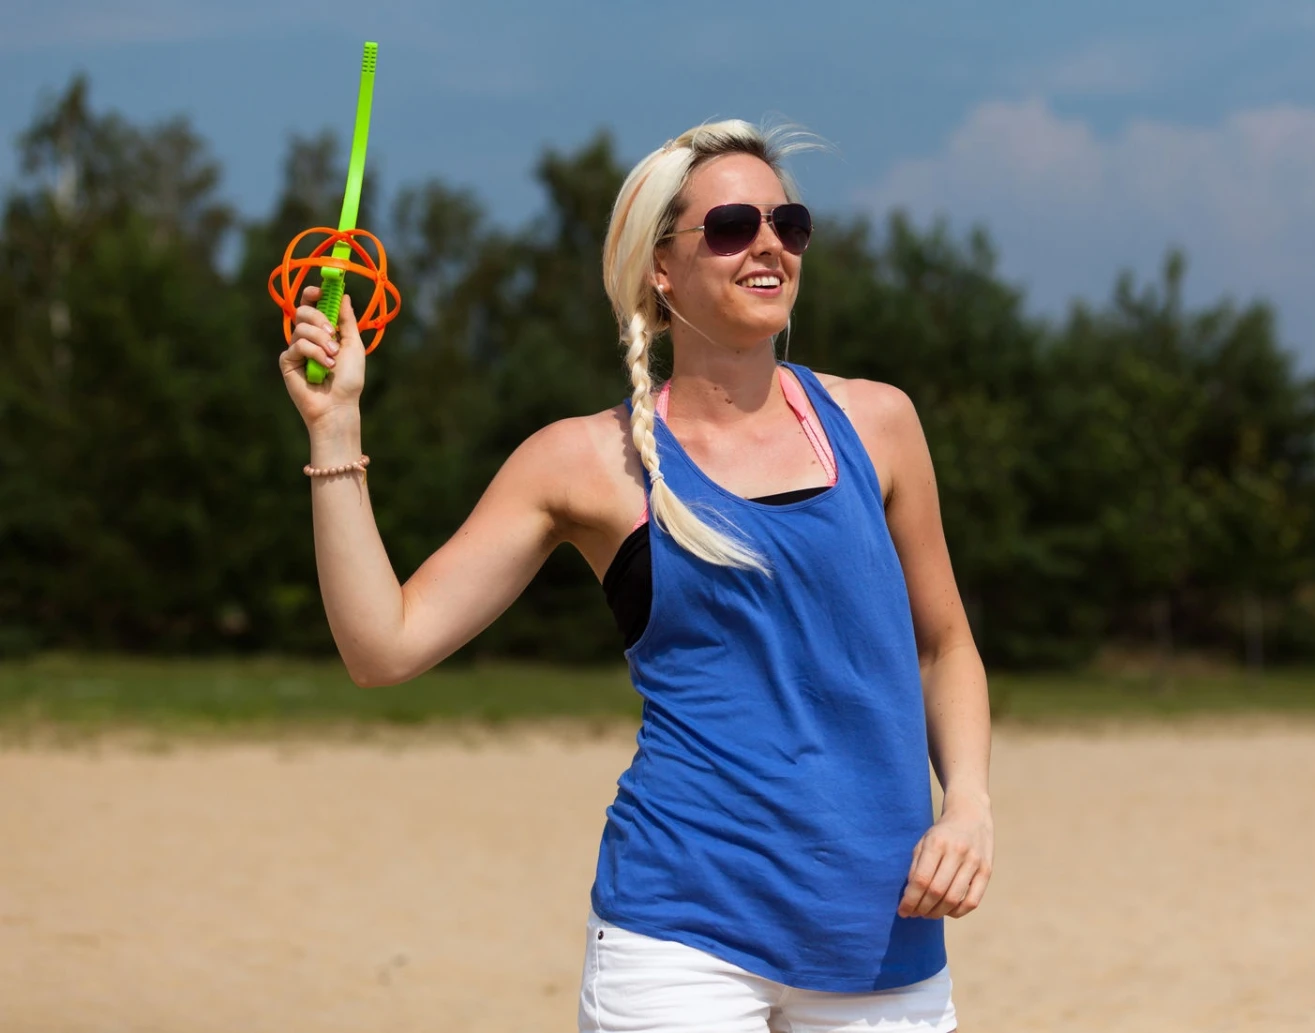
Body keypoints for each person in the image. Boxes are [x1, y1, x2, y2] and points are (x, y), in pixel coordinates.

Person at [280, 119, 993, 1033]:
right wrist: (336, 429)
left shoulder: (879, 424)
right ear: (661, 267)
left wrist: (967, 804)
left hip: (882, 932)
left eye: (788, 223)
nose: (769, 244)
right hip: (678, 931)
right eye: (731, 226)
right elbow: (385, 647)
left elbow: (943, 645)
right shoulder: (586, 461)